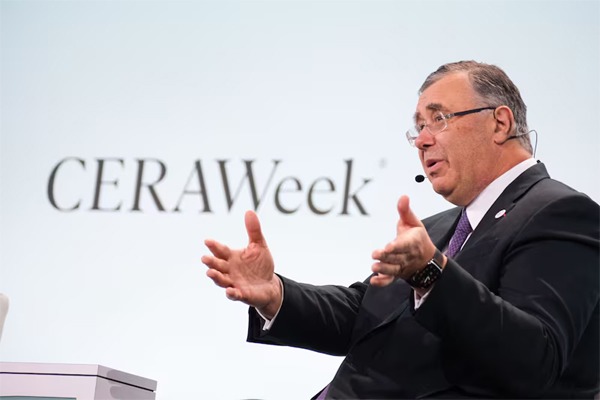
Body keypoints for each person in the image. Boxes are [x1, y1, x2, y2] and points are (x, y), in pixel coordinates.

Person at [202, 61, 599, 398]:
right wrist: (275, 294)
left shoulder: (560, 212)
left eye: (439, 119)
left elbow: (535, 357)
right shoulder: (439, 229)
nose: (422, 141)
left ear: (499, 122)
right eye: (418, 126)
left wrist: (432, 274)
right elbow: (363, 312)